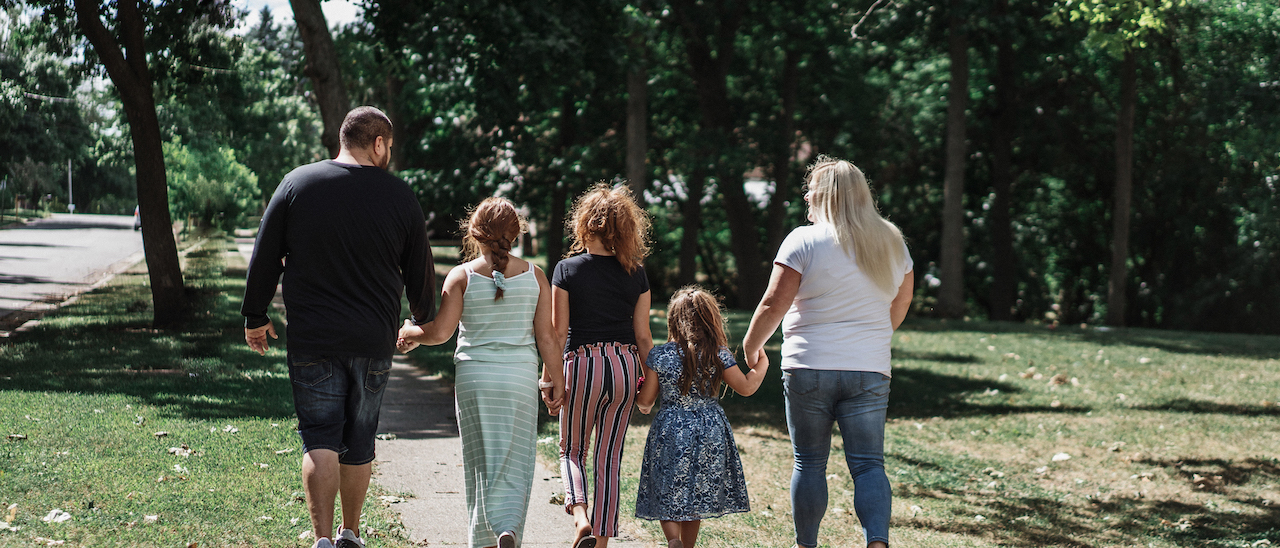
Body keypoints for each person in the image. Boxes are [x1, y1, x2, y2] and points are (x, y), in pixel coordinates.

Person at [241, 106, 436, 548]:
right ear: (380, 143)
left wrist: (255, 316)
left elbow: (264, 254)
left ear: (344, 139)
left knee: (320, 438)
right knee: (360, 438)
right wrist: (420, 319)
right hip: (373, 341)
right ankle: (352, 532)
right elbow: (420, 270)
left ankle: (323, 540)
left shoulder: (298, 183)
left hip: (313, 338)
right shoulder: (400, 196)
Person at [741, 156, 913, 548]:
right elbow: (902, 302)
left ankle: (806, 545)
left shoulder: (803, 239)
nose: (805, 194)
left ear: (826, 196)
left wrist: (751, 347)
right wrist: (874, 336)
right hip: (869, 370)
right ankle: (877, 541)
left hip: (809, 367)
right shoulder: (891, 240)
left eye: (811, 189)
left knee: (809, 462)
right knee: (869, 464)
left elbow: (773, 304)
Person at [396, 197, 564, 548]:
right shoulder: (536, 277)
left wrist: (411, 331)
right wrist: (556, 382)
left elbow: (441, 333)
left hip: (475, 380)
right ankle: (508, 528)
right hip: (518, 380)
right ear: (515, 234)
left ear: (474, 233)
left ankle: (486, 536)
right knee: (516, 460)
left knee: (480, 462)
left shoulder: (462, 276)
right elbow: (547, 338)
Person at [552, 184, 653, 548]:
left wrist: (550, 377)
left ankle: (581, 518)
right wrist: (649, 383)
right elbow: (643, 337)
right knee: (609, 457)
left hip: (582, 365)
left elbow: (558, 332)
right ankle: (604, 540)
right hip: (626, 368)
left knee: (572, 450)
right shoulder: (637, 274)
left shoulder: (566, 270)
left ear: (584, 224)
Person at [634, 286, 768, 548]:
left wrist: (641, 397)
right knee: (694, 491)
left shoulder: (659, 355)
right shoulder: (718, 354)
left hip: (670, 427)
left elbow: (646, 400)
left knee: (665, 487)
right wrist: (761, 364)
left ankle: (673, 540)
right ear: (712, 319)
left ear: (674, 320)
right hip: (709, 428)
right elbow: (746, 387)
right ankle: (687, 546)